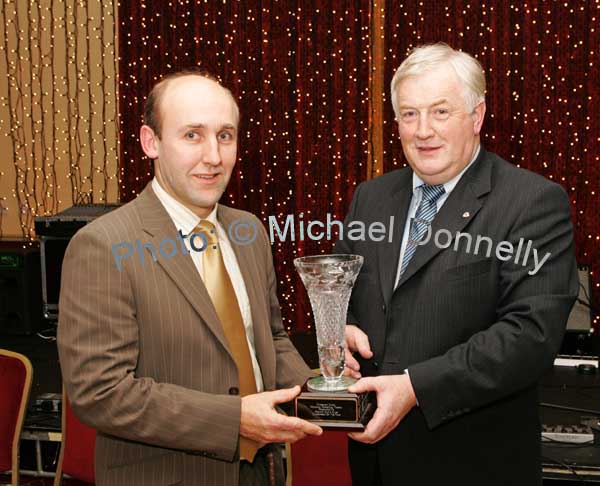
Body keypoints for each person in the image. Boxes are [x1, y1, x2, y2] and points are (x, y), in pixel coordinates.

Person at [57, 70, 322, 486]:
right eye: (193, 136)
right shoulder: (103, 246)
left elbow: (269, 340)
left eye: (225, 135)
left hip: (262, 471)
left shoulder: (248, 231)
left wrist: (324, 391)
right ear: (151, 142)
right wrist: (233, 420)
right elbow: (101, 393)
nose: (214, 157)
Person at [335, 43, 578, 486]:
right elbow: (343, 292)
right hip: (374, 465)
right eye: (409, 114)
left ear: (478, 115)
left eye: (440, 112)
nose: (423, 130)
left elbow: (531, 336)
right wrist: (340, 330)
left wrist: (414, 387)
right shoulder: (370, 198)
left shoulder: (532, 202)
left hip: (473, 464)